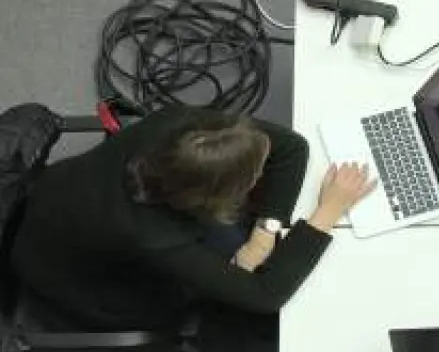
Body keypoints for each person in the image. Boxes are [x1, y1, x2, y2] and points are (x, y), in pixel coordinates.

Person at [11, 105, 376, 330]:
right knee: (244, 296)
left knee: (252, 246)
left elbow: (291, 148)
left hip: (52, 195)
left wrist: (265, 233)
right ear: (214, 200)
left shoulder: (180, 128)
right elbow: (265, 297)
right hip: (69, 275)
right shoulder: (153, 237)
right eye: (251, 179)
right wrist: (326, 214)